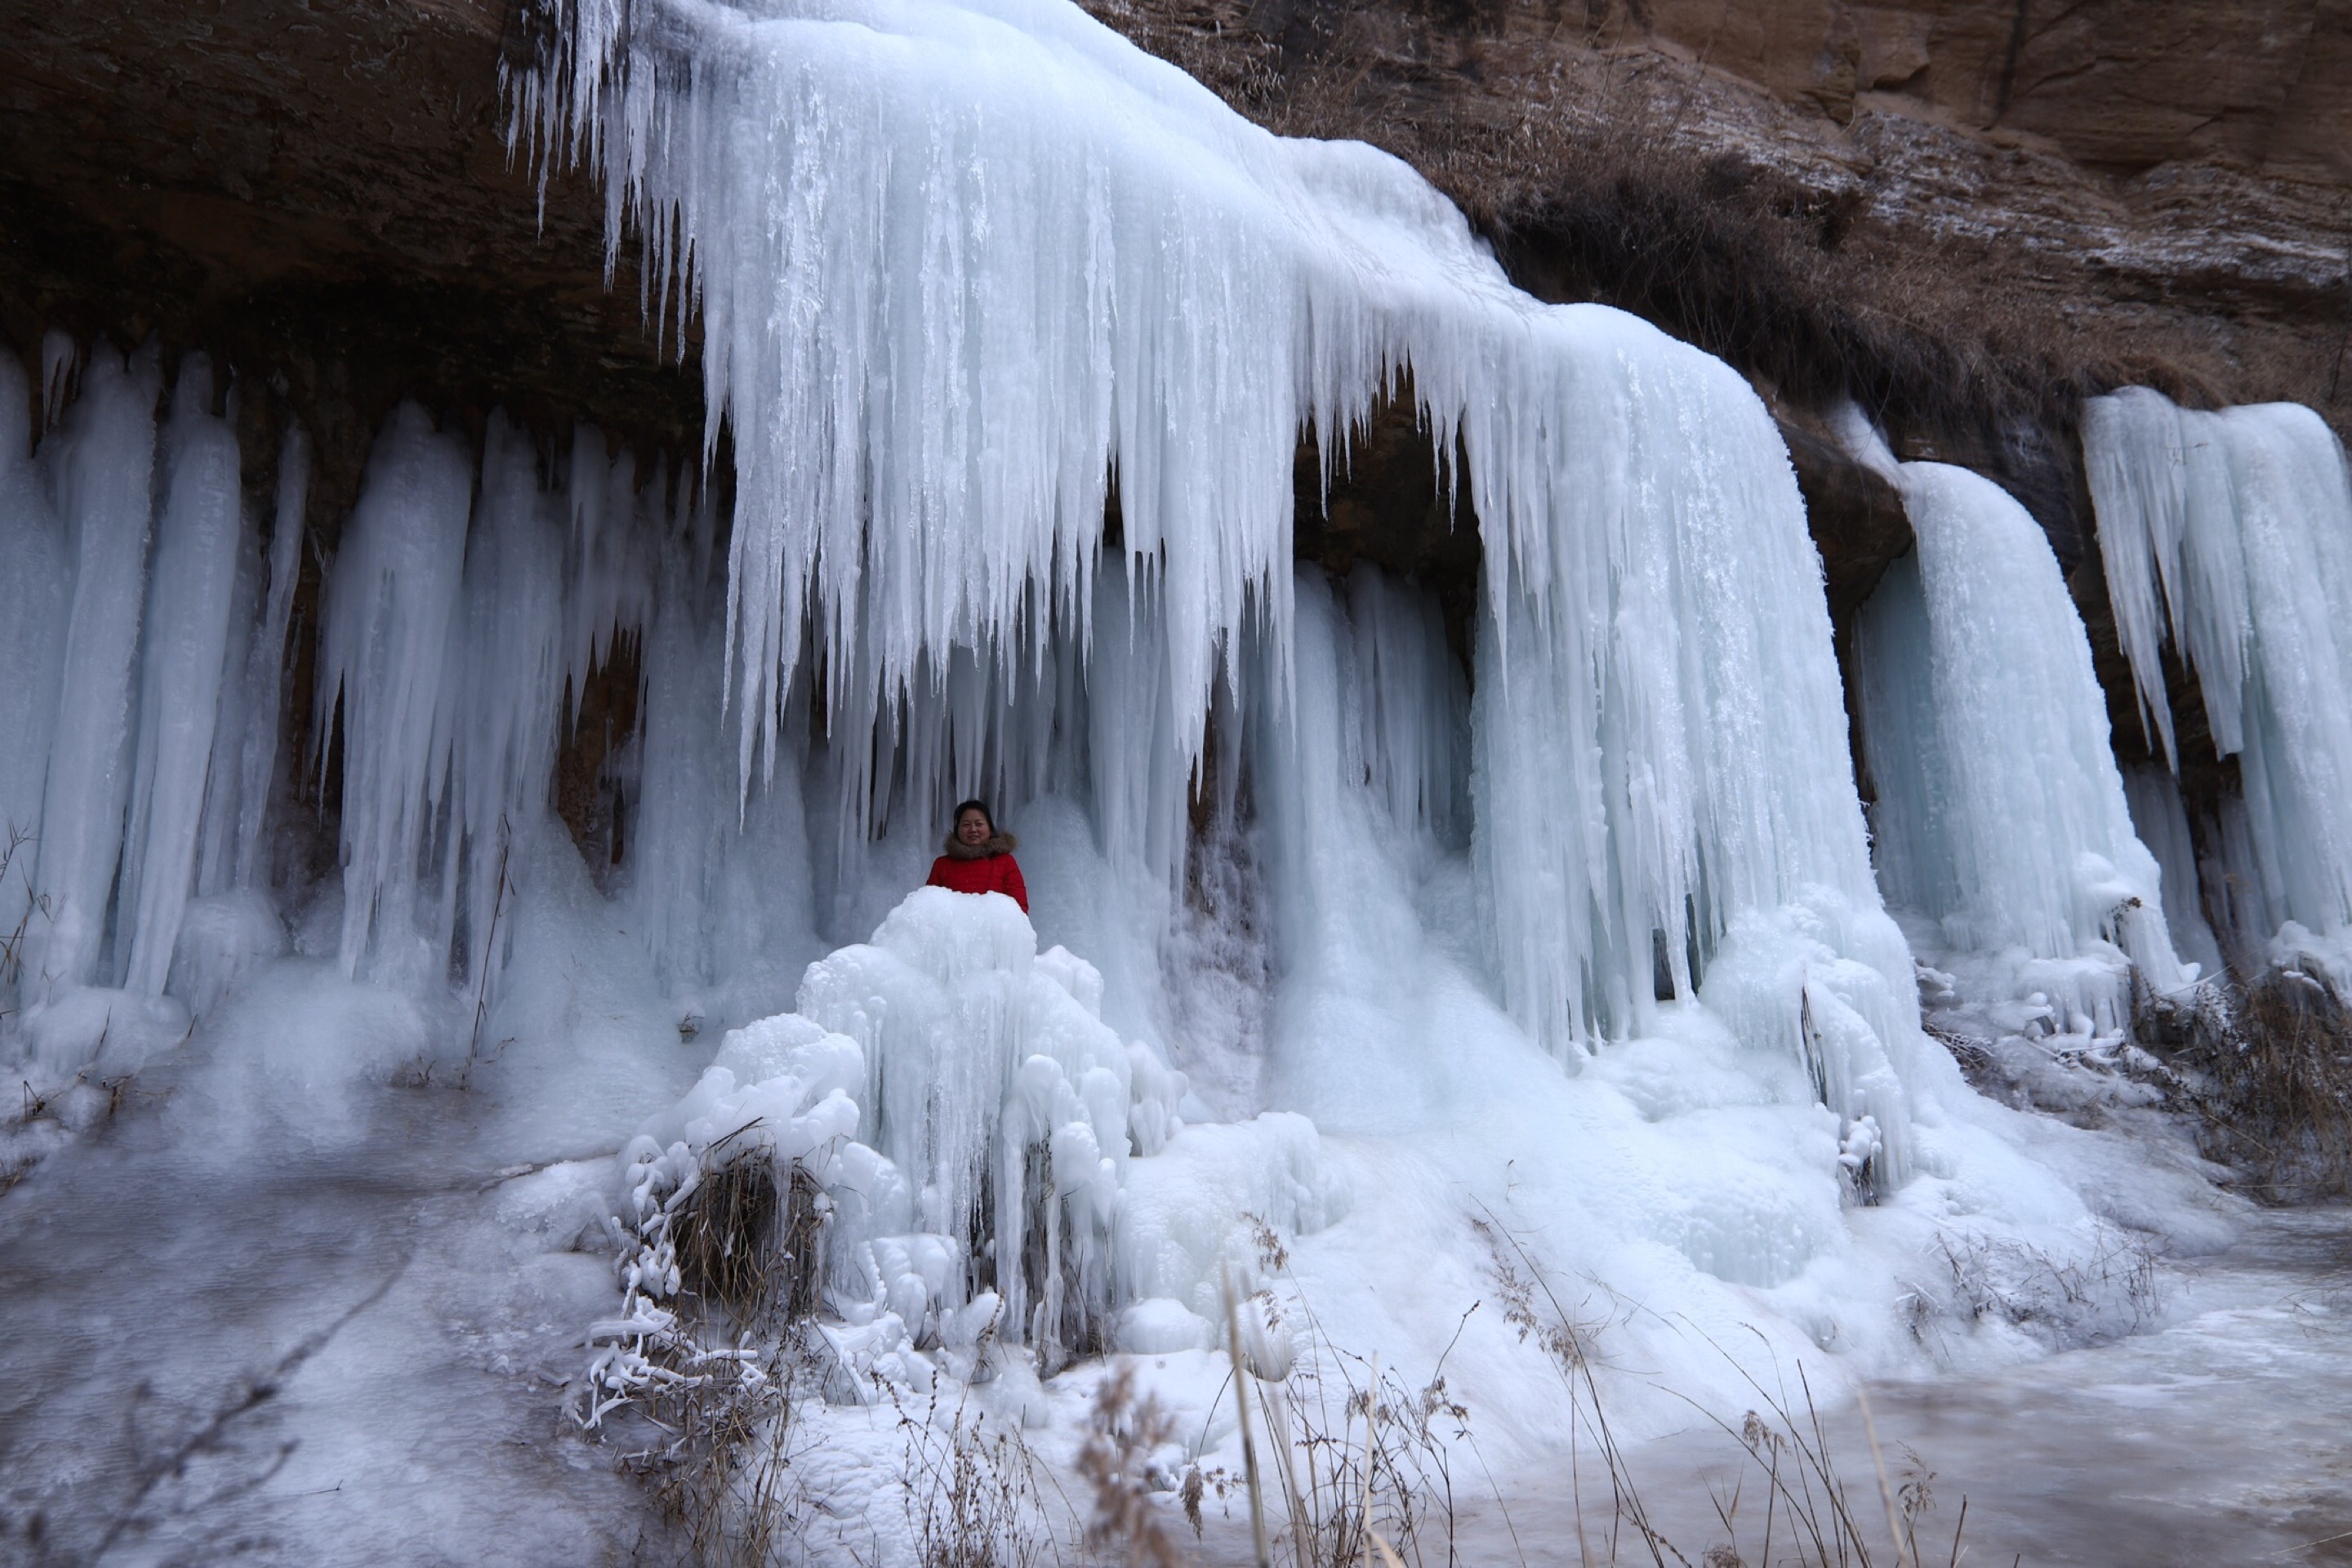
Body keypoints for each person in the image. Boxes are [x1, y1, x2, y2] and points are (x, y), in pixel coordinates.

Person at [925, 798, 1029, 914]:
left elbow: (1019, 907)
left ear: (989, 828)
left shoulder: (1005, 862)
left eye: (979, 824)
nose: (973, 829)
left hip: (993, 931)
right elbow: (928, 905)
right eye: (966, 825)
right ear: (957, 830)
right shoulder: (942, 864)